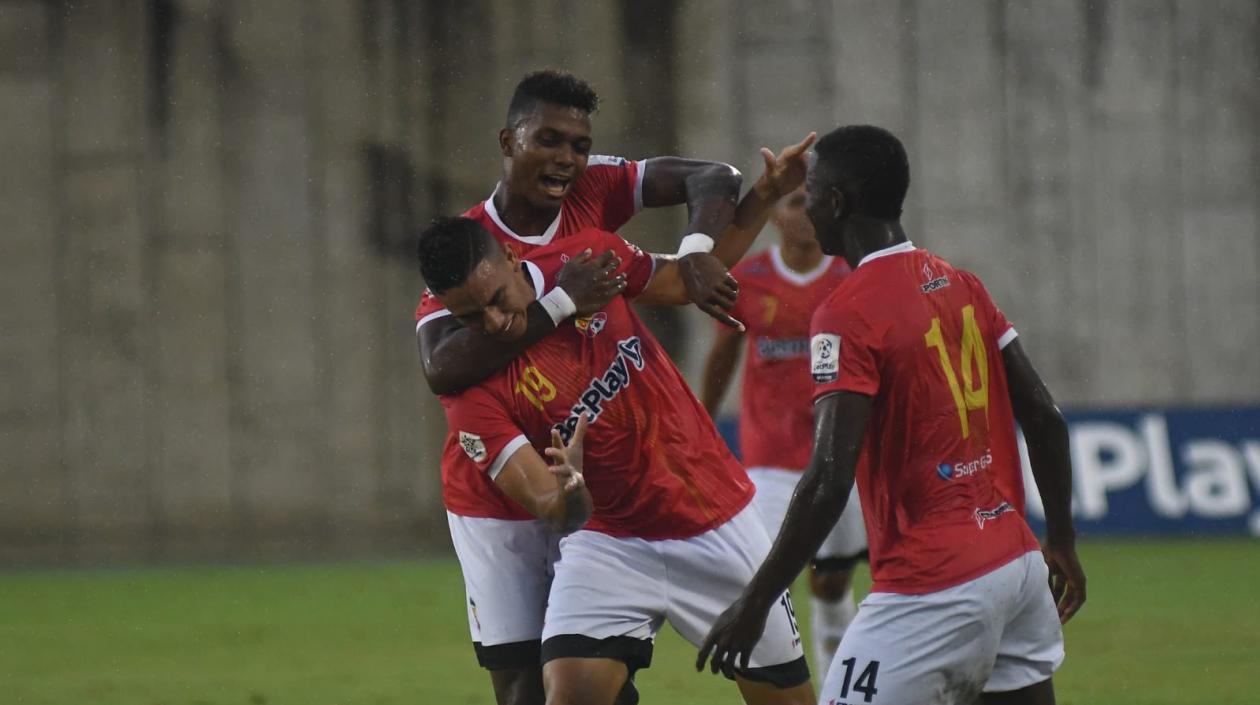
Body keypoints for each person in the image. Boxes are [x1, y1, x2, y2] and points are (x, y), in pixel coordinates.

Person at [415, 68, 782, 705]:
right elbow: (443, 368)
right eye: (547, 140)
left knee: (589, 681)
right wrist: (557, 305)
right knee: (525, 691)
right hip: (498, 493)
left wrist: (701, 245)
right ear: (508, 141)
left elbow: (712, 184)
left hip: (590, 480)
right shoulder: (473, 255)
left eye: (578, 146)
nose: (566, 160)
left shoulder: (589, 218)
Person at [697, 125, 1086, 705]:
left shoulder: (847, 311)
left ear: (836, 202)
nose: (806, 205)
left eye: (814, 190)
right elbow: (1045, 417)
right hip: (1017, 562)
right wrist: (1061, 538)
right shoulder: (961, 284)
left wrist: (754, 605)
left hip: (932, 585)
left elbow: (830, 478)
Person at [699, 185, 864, 678]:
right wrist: (702, 423)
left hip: (839, 456)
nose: (806, 211)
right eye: (794, 202)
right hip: (769, 461)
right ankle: (779, 684)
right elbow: (723, 355)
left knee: (832, 583)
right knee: (762, 581)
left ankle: (841, 687)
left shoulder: (849, 275)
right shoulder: (747, 279)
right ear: (773, 217)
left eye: (813, 200)